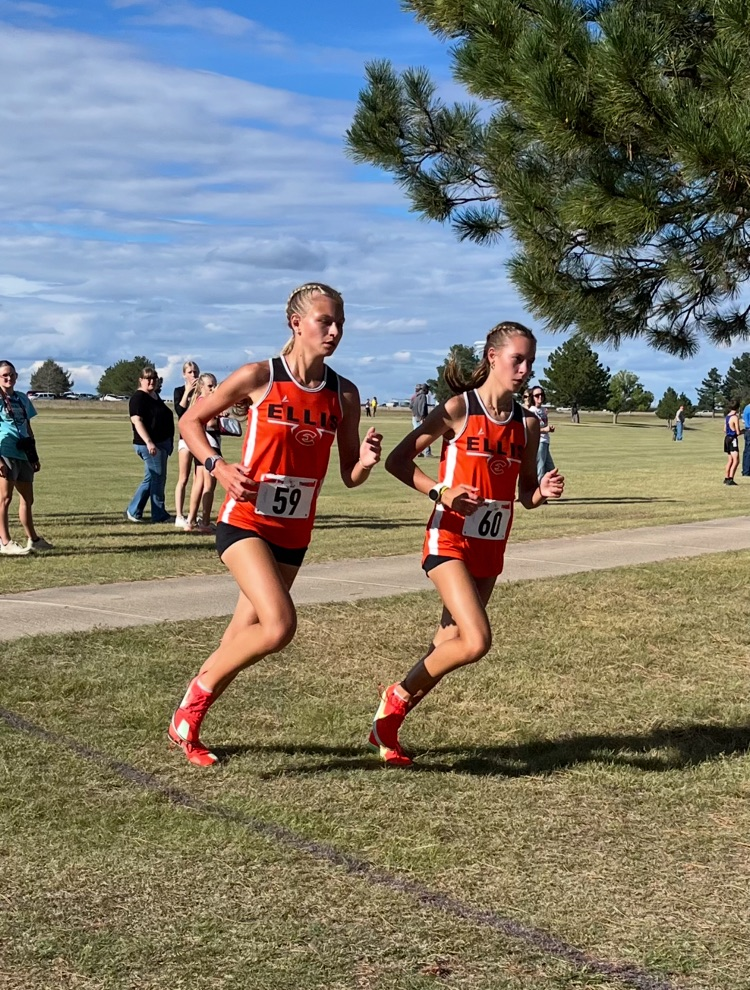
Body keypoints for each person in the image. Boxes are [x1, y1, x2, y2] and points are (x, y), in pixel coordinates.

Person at [168, 282, 382, 766]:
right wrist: (217, 467)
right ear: (296, 324)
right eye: (325, 321)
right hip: (246, 521)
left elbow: (349, 475)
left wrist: (365, 462)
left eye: (340, 322)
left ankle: (187, 724)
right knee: (279, 625)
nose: (334, 330)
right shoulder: (260, 376)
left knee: (239, 637)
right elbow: (190, 422)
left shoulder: (343, 393)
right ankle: (189, 705)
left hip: (294, 533)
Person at [371, 321, 564, 767]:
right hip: (449, 538)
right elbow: (398, 462)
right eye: (518, 359)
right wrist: (441, 490)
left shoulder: (528, 424)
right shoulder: (459, 408)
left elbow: (526, 497)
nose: (525, 369)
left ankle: (386, 728)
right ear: (493, 357)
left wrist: (544, 492)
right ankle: (393, 701)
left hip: (491, 546)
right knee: (475, 641)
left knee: (448, 643)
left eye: (531, 361)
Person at [0, 360, 53, 555]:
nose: (8, 378)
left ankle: (33, 539)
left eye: (11, 374)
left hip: (23, 453)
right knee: (5, 498)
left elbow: (28, 428)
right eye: (4, 375)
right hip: (5, 450)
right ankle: (5, 542)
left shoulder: (22, 398)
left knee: (27, 499)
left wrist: (33, 454)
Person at [125, 366, 175, 523]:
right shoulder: (138, 398)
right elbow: (136, 421)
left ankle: (133, 511)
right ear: (141, 380)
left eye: (154, 378)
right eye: (148, 378)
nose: (152, 381)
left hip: (161, 443)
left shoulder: (154, 396)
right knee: (158, 478)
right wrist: (149, 442)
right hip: (150, 445)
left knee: (151, 478)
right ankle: (159, 514)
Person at [184, 373, 221, 533]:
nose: (213, 389)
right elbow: (210, 422)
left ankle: (190, 520)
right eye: (210, 386)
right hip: (209, 444)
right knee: (209, 484)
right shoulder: (205, 402)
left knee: (198, 483)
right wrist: (220, 416)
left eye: (214, 385)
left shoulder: (197, 401)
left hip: (200, 445)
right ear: (201, 387)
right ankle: (205, 522)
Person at [173, 361, 200, 527]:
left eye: (195, 372)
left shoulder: (203, 390)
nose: (193, 375)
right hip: (185, 438)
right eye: (190, 372)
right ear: (184, 374)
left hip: (200, 438)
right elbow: (180, 411)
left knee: (199, 478)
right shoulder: (179, 391)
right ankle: (179, 515)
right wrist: (188, 392)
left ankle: (193, 514)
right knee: (183, 477)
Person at [529, 385, 555, 481]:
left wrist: (549, 429)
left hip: (545, 441)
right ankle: (537, 492)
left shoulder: (543, 410)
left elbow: (543, 425)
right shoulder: (531, 411)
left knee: (550, 469)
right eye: (537, 395)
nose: (540, 397)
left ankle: (544, 491)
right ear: (532, 397)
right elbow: (530, 429)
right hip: (538, 442)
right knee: (540, 469)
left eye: (542, 395)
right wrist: (545, 430)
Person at [410, 384, 431, 457]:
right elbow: (422, 407)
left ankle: (418, 452)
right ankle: (427, 453)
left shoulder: (415, 396)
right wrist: (422, 417)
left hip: (415, 417)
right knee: (425, 435)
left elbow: (411, 406)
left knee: (418, 436)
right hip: (420, 418)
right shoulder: (423, 396)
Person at [724, 401, 742, 486]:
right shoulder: (735, 417)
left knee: (730, 460)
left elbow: (724, 429)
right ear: (737, 408)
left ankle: (726, 478)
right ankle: (731, 479)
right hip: (733, 439)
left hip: (727, 438)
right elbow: (737, 432)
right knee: (736, 460)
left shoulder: (727, 416)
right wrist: (743, 431)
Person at [742, 398, 750, 475]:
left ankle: (745, 470)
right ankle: (747, 471)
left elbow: (743, 420)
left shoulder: (746, 408)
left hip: (747, 430)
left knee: (747, 451)